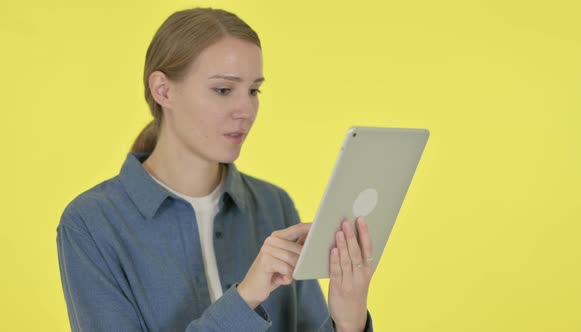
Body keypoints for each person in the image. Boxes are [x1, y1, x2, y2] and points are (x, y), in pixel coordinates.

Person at [56, 7, 375, 332]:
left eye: (253, 90)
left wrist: (348, 318)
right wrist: (246, 298)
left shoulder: (273, 205)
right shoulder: (91, 225)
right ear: (163, 90)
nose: (246, 110)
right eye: (223, 90)